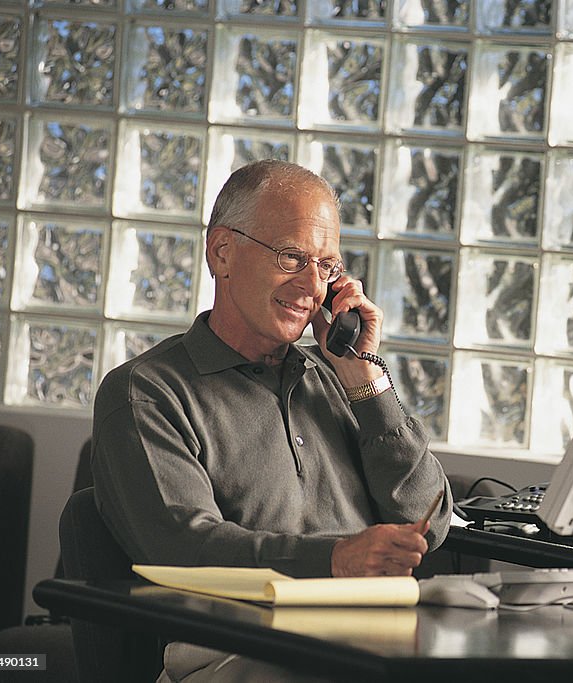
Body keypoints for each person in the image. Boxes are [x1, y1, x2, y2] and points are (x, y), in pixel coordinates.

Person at [90, 160, 452, 681]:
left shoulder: (337, 380)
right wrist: (337, 560)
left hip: (368, 639)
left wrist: (367, 384)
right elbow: (183, 549)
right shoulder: (146, 393)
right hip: (233, 650)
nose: (312, 287)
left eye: (326, 266)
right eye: (291, 257)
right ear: (222, 252)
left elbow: (431, 521)